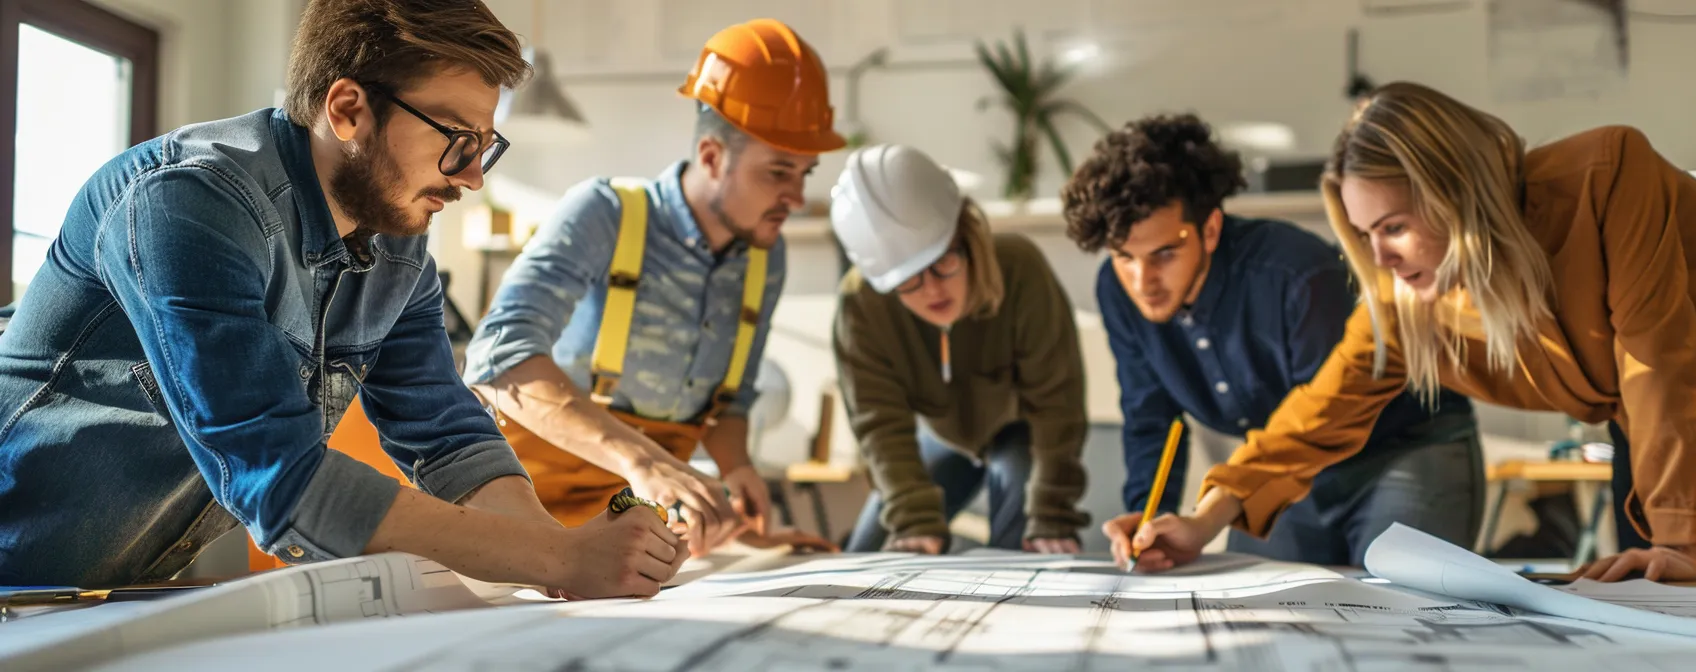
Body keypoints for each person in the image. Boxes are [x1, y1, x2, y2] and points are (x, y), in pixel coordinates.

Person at [0, 0, 686, 598]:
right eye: (457, 140)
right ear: (348, 109)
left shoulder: (398, 247)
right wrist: (562, 555)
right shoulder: (186, 202)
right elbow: (282, 478)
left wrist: (561, 562)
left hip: (102, 593)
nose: (474, 175)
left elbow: (446, 434)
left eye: (486, 145)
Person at [1105, 81, 1696, 581]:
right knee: (1649, 619)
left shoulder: (1608, 174)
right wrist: (1204, 518)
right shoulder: (1412, 295)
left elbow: (1658, 358)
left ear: (1460, 195)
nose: (1381, 257)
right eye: (1367, 234)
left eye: (1396, 226)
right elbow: (1320, 411)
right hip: (1652, 437)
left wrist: (1674, 537)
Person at [464, 18, 843, 557]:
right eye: (778, 172)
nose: (796, 196)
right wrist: (642, 462)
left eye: (805, 174)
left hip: (621, 532)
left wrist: (737, 471)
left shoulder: (766, 258)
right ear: (712, 156)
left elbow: (728, 404)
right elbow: (497, 361)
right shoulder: (605, 215)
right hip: (509, 512)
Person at [1061, 113, 1483, 568]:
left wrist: (1210, 515)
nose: (1143, 281)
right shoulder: (1117, 291)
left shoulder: (1295, 274)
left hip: (1401, 449)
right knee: (1250, 602)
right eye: (1125, 257)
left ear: (1210, 230)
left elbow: (1326, 417)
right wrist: (1151, 517)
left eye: (1164, 253)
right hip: (1281, 468)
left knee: (1399, 599)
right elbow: (1150, 415)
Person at [831, 144, 1090, 554]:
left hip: (1019, 434)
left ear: (965, 232)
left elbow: (1058, 403)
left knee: (1026, 543)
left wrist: (1051, 513)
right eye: (909, 279)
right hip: (937, 439)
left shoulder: (1021, 269)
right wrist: (914, 519)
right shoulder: (861, 305)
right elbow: (879, 423)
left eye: (942, 260)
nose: (932, 288)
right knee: (869, 554)